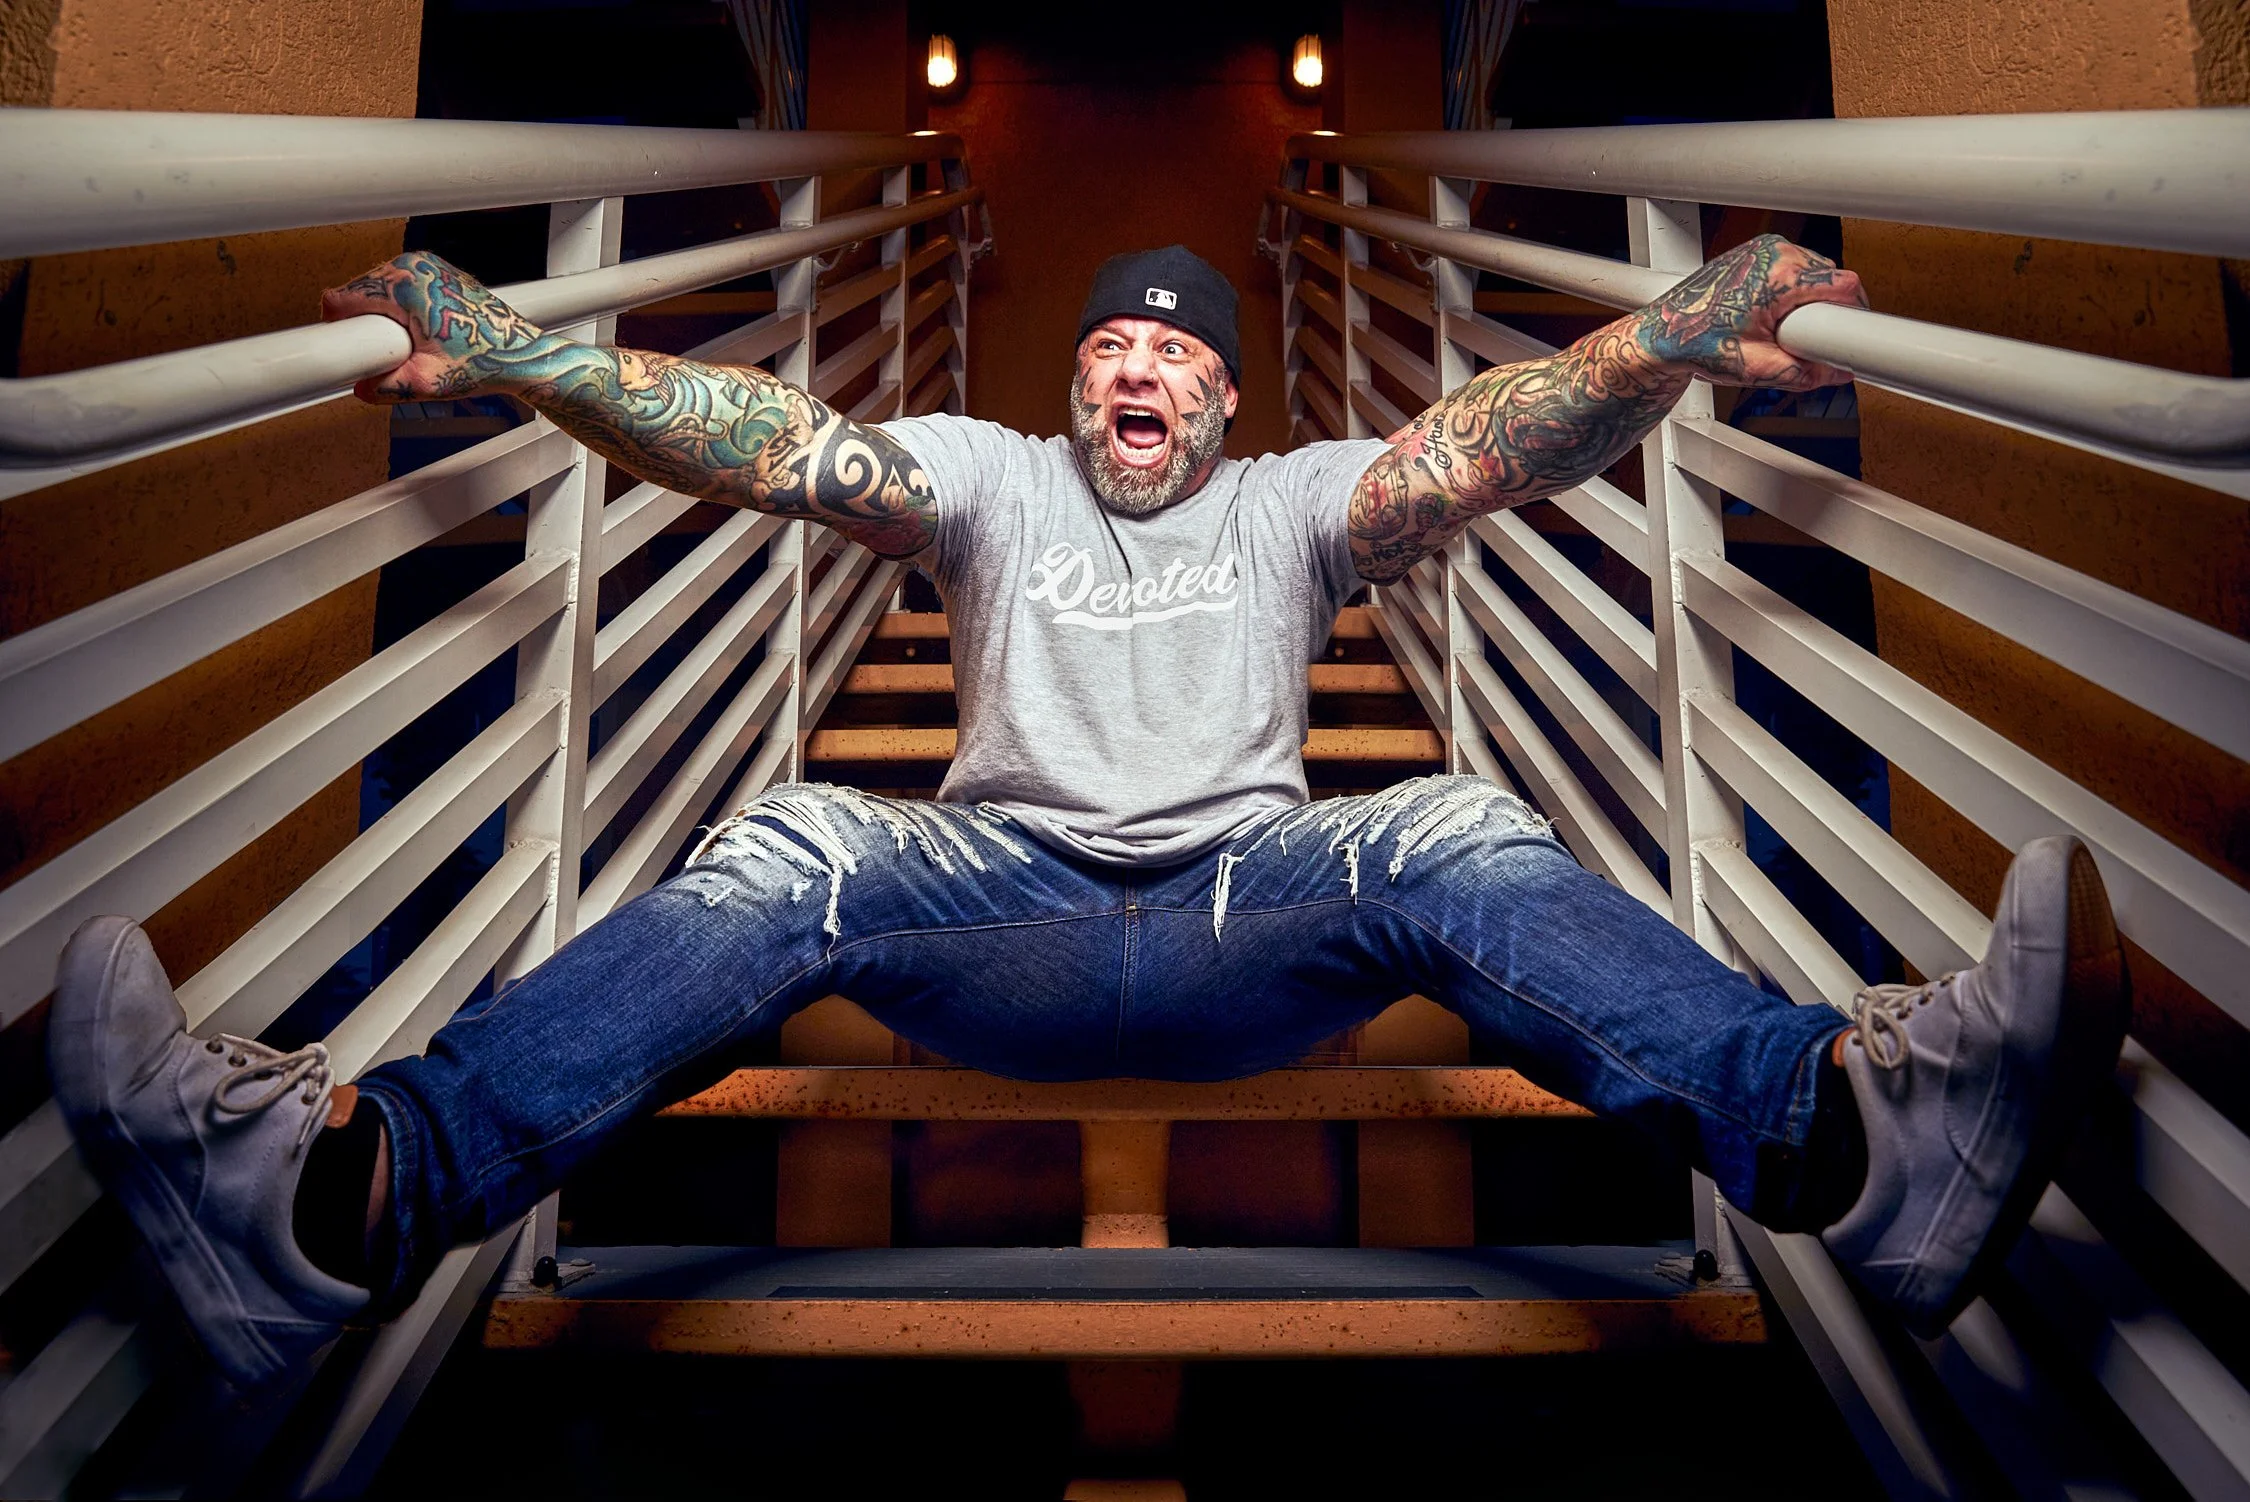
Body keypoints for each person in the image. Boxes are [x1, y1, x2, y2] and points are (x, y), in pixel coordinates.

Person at [49, 239, 2129, 1392]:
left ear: (1230, 399)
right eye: (1110, 347)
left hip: (1252, 918)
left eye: (1173, 356)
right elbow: (772, 441)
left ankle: (1858, 1132)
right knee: (797, 841)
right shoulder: (985, 476)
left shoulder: (1302, 503)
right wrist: (513, 348)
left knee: (1450, 821)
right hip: (1005, 918)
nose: (1136, 375)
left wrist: (1673, 332)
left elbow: (1481, 450)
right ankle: (338, 1191)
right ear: (1077, 391)